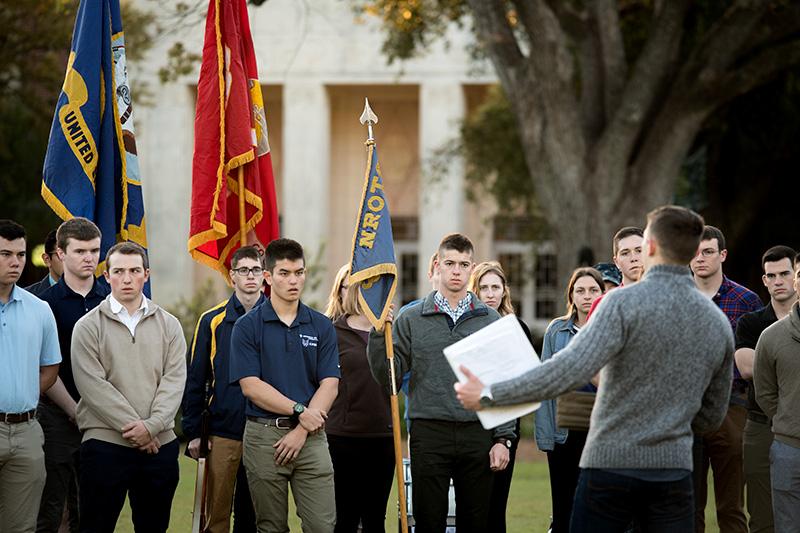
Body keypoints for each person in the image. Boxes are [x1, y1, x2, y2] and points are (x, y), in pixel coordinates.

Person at [455, 205, 735, 532]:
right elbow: (712, 415)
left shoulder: (620, 304)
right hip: (673, 470)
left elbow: (565, 370)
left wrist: (490, 394)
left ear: (651, 248)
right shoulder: (716, 322)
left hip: (609, 467)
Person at [368, 233, 515, 533]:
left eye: (463, 264)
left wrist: (503, 439)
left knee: (476, 523)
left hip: (478, 433)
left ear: (471, 268)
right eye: (450, 263)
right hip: (428, 431)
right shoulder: (410, 318)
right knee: (428, 520)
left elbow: (501, 383)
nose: (456, 271)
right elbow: (390, 379)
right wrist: (375, 332)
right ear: (437, 265)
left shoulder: (489, 320)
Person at [71, 242, 186, 533]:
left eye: (134, 271)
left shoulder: (169, 325)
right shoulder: (87, 326)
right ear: (106, 276)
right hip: (104, 445)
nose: (126, 278)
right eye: (118, 271)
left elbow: (173, 382)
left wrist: (153, 426)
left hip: (159, 447)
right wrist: (140, 430)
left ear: (146, 274)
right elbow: (92, 386)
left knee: (154, 527)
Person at [230, 238, 340, 532]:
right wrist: (300, 410)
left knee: (322, 526)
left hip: (312, 437)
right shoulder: (247, 327)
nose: (294, 280)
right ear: (268, 276)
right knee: (270, 527)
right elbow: (251, 386)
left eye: (299, 273)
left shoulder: (321, 325)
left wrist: (303, 428)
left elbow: (330, 384)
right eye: (284, 273)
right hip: (265, 437)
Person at [182, 246, 265, 533]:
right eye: (243, 270)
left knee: (256, 516)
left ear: (264, 275)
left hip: (265, 431)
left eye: (255, 270)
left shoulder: (279, 318)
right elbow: (195, 379)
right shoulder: (212, 320)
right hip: (223, 432)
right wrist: (193, 431)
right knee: (216, 516)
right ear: (232, 277)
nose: (250, 276)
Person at [36, 217, 107, 533]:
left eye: (94, 250)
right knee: (51, 508)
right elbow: (43, 365)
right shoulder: (41, 304)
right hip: (55, 416)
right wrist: (73, 410)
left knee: (95, 509)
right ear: (60, 254)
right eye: (80, 251)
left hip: (105, 417)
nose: (89, 258)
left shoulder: (112, 299)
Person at [691, 225, 763, 533]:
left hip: (732, 405)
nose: (700, 259)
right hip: (686, 410)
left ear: (722, 255)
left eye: (708, 252)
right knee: (687, 504)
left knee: (731, 505)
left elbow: (762, 361)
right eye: (694, 253)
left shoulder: (746, 301)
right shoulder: (677, 298)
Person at [0, 219, 61, 533]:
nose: (15, 262)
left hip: (26, 432)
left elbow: (51, 367)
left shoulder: (40, 309)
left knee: (22, 528)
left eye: (20, 255)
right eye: (5, 254)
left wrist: (24, 392)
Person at [324, 264, 394, 533]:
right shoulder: (331, 332)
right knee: (345, 519)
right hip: (343, 438)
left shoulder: (390, 331)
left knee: (375, 519)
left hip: (383, 438)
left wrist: (385, 326)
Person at [535, 267, 605, 533]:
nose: (587, 296)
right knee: (563, 509)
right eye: (580, 291)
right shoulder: (557, 331)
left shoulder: (612, 327)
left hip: (601, 431)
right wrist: (546, 436)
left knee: (599, 509)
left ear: (602, 293)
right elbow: (545, 384)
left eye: (593, 290)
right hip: (564, 432)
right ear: (571, 296)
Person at [734, 245, 797, 533]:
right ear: (764, 280)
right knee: (762, 515)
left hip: (793, 430)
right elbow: (748, 370)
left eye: (785, 273)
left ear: (796, 276)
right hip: (761, 424)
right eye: (771, 276)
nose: (778, 281)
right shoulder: (752, 323)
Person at [468, 260, 532, 533]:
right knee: (469, 507)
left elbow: (526, 384)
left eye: (496, 287)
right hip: (468, 426)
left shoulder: (517, 328)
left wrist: (504, 439)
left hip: (504, 427)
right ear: (476, 291)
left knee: (496, 506)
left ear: (505, 290)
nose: (491, 293)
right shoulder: (465, 327)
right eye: (484, 288)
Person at [753, 254, 800, 532]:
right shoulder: (771, 337)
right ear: (796, 280)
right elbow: (765, 393)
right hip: (789, 450)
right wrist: (788, 419)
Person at [586, 227, 643, 317]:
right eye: (625, 253)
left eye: (639, 251)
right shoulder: (601, 305)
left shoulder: (665, 297)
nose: (633, 258)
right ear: (616, 262)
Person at [25, 229, 63, 297]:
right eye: (61, 254)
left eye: (77, 253)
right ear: (47, 259)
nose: (70, 260)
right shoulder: (27, 297)